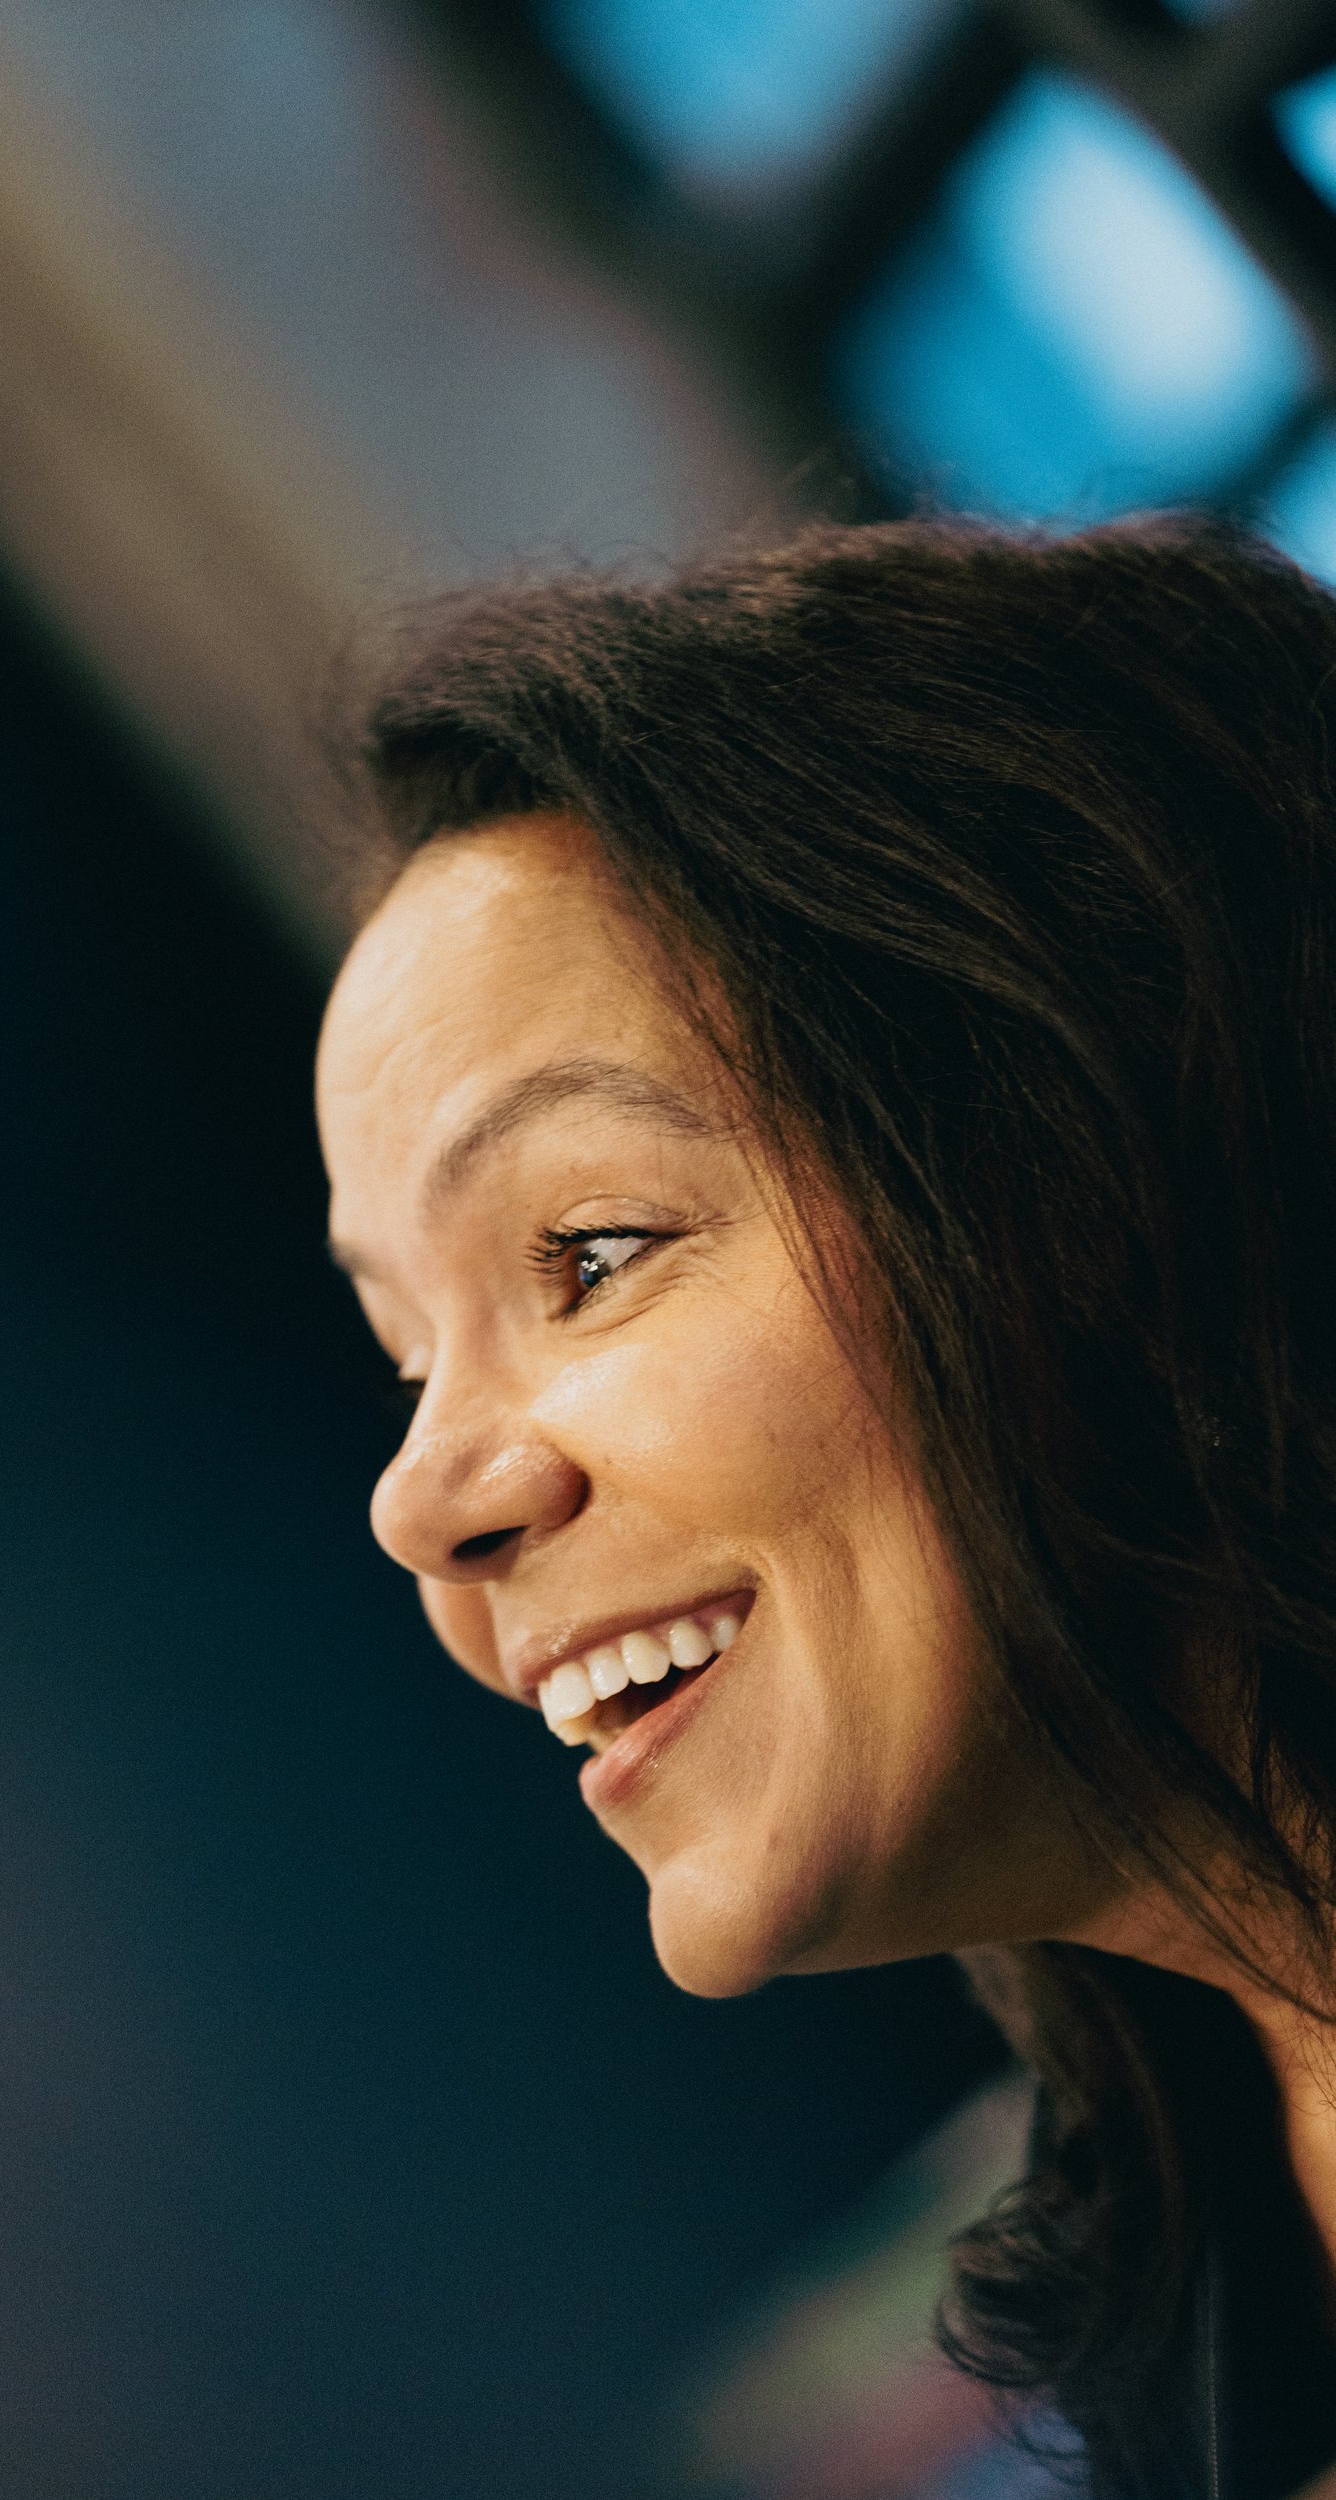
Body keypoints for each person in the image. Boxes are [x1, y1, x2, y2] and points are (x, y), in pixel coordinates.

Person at [314, 516, 1336, 2500]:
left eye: (590, 1251)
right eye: (403, 1353)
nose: (419, 1498)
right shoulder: (1204, 2321)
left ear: (1105, 1154)